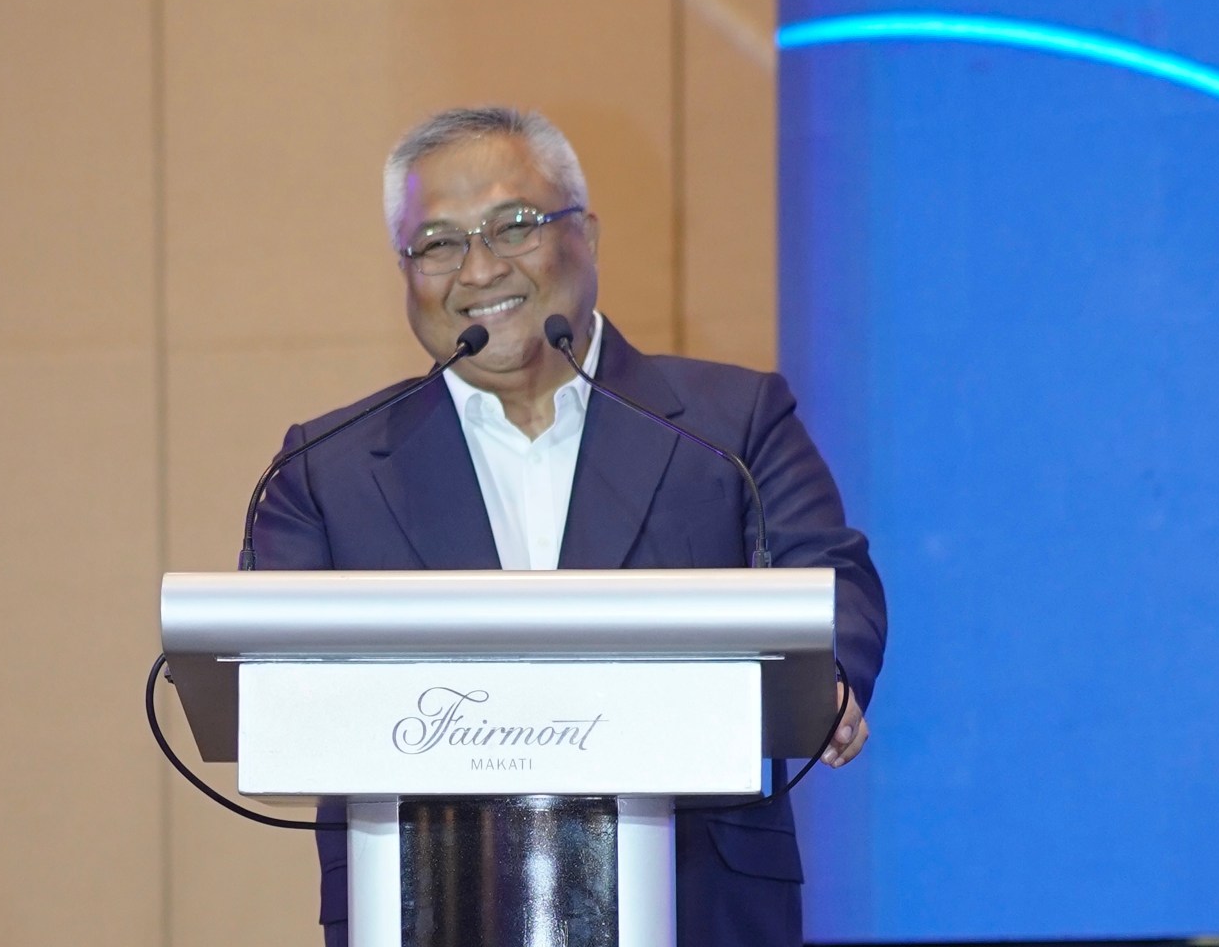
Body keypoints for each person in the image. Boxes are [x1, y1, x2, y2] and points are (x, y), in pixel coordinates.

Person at [252, 106, 887, 947]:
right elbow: (269, 674)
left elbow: (829, 575)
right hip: (420, 906)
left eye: (512, 225)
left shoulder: (727, 426)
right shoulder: (326, 467)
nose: (478, 269)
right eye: (438, 242)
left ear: (585, 234)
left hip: (698, 901)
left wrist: (827, 674)